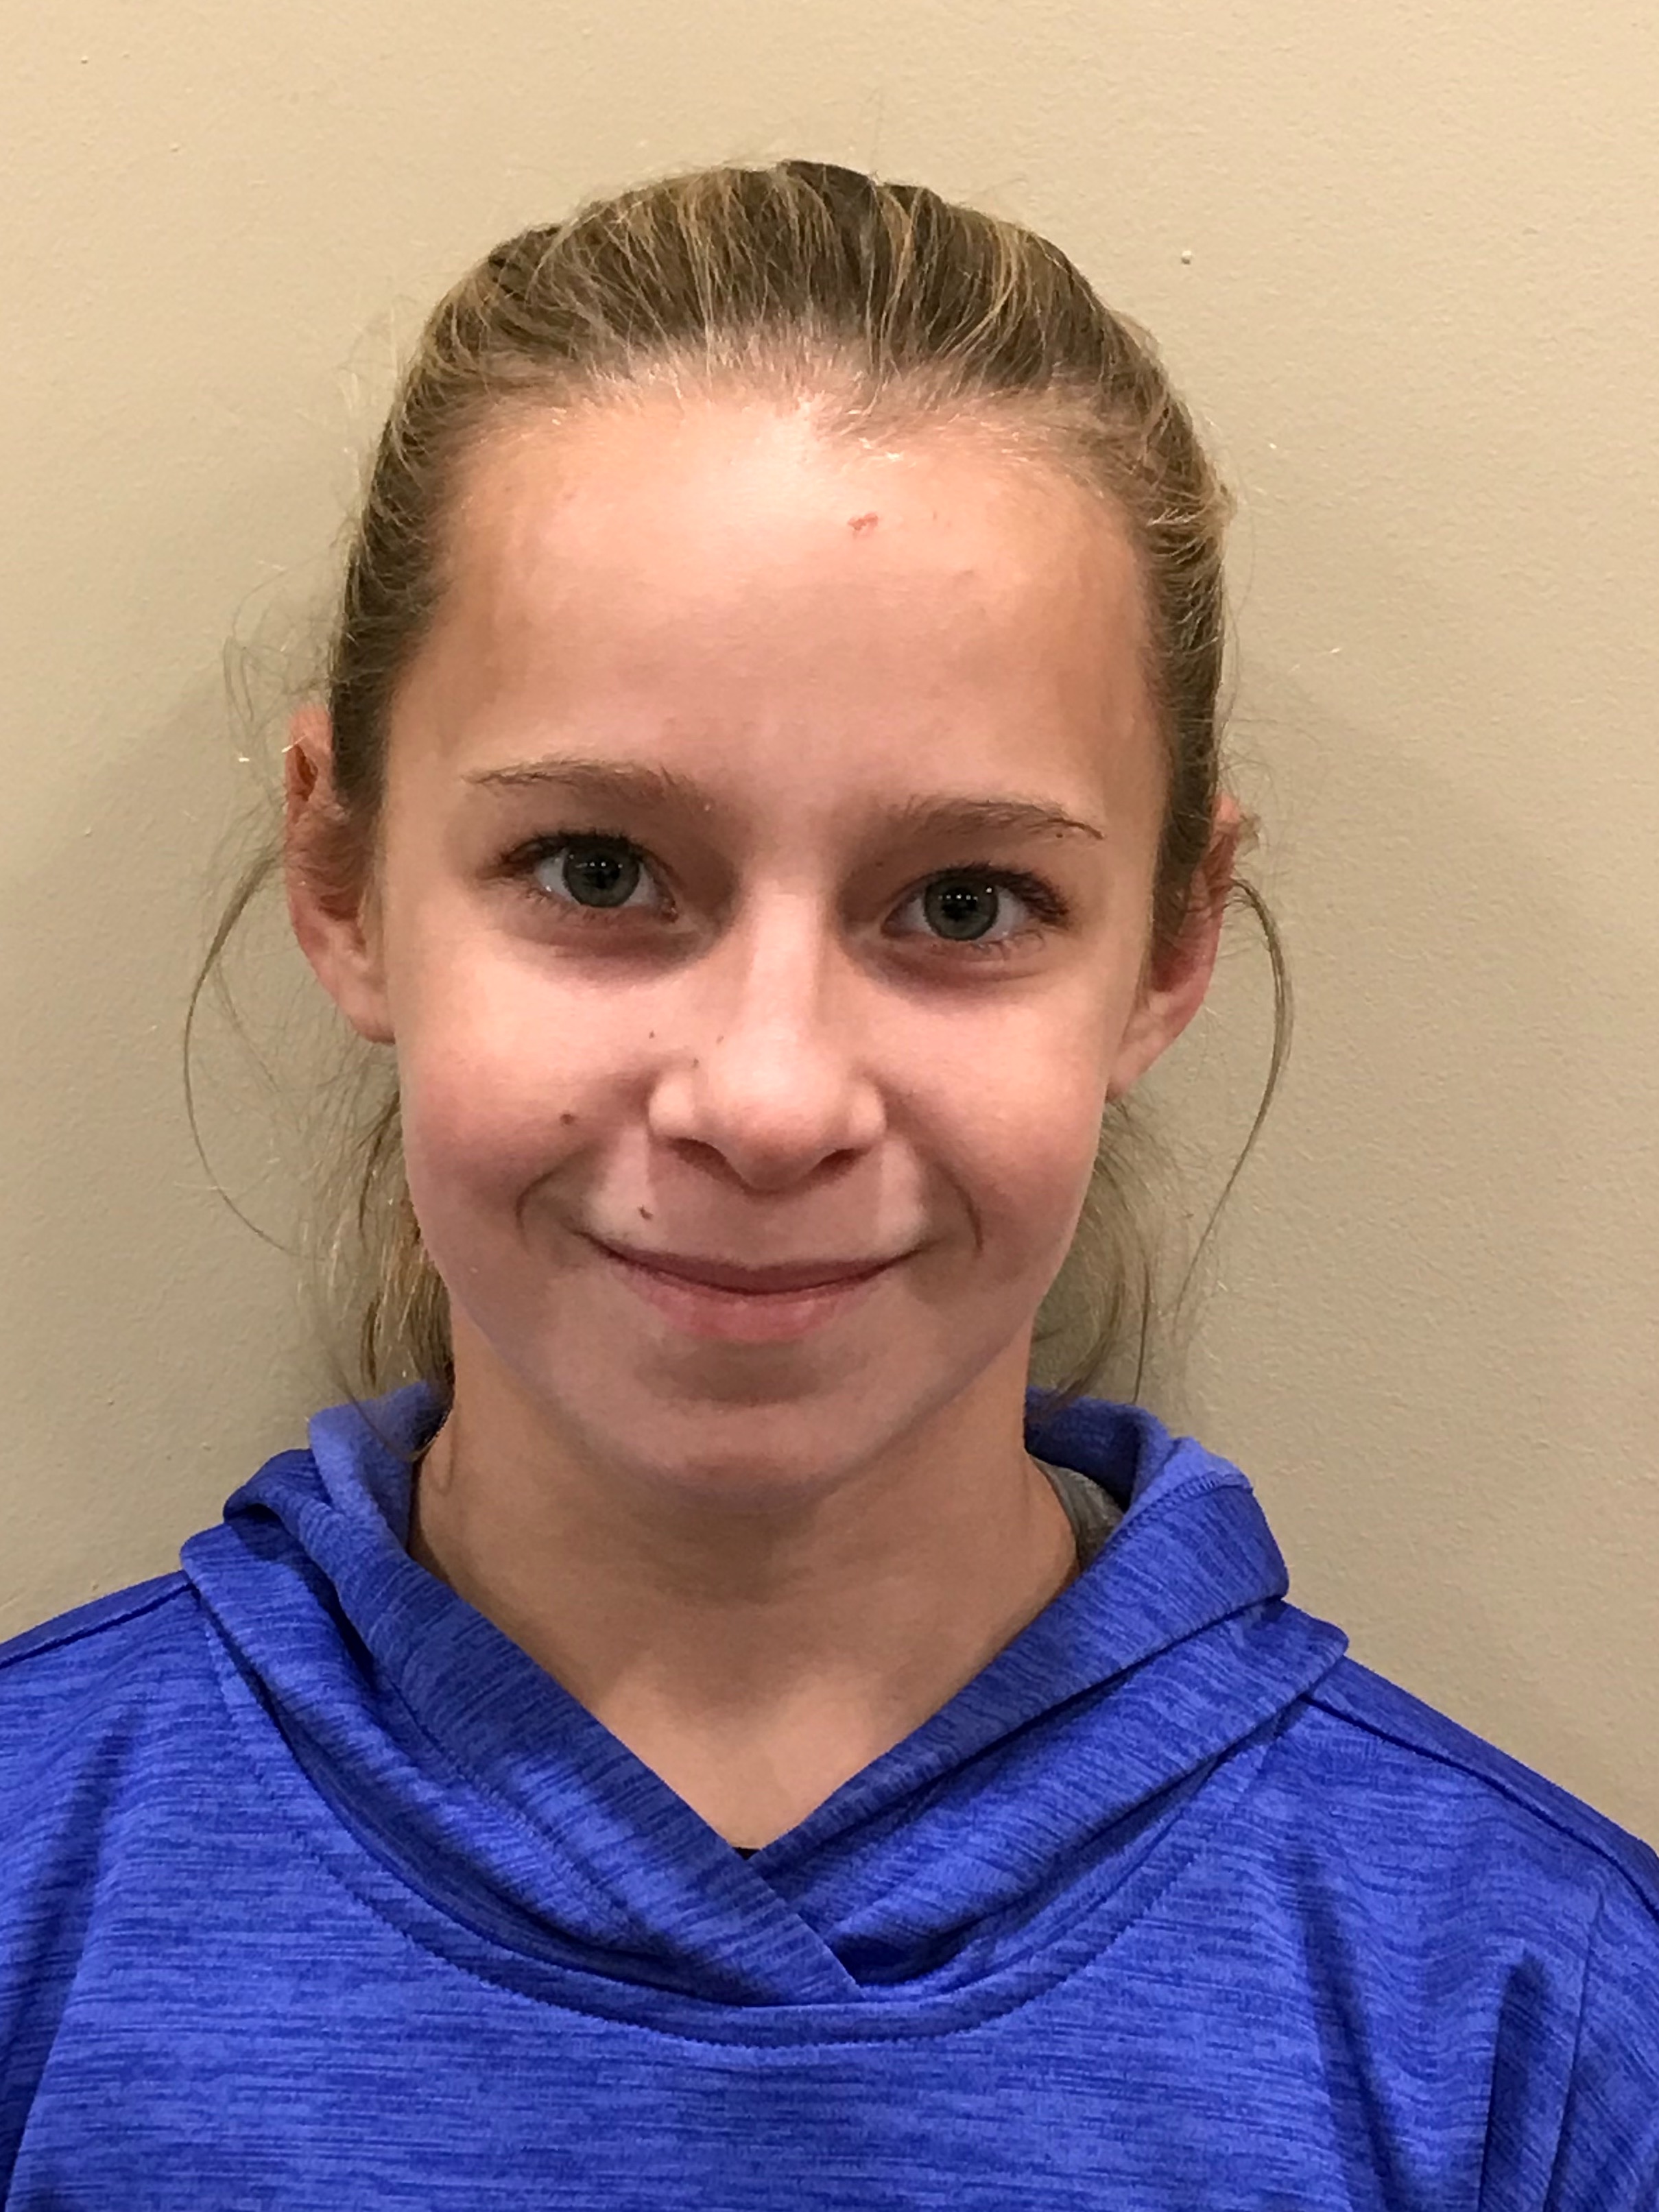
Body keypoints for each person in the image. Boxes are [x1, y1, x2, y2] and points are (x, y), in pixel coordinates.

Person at [1, 158, 1654, 2207]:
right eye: (597, 868)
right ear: (341, 879)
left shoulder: (1531, 2034)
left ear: (1168, 944)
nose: (770, 1100)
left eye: (964, 901)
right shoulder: (39, 1896)